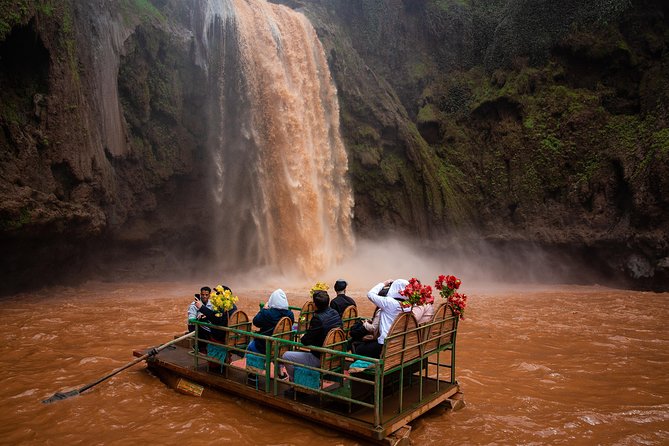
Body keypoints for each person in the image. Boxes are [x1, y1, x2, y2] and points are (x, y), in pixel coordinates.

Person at [282, 290, 342, 382]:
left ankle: (295, 381)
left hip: (319, 357)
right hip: (335, 355)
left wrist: (303, 336)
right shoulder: (335, 313)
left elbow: (305, 341)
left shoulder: (317, 319)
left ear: (315, 304)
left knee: (286, 356)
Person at [353, 279, 410, 359]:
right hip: (398, 343)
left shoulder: (389, 302)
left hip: (384, 345)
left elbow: (370, 294)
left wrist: (384, 283)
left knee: (359, 348)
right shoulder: (408, 305)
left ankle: (362, 368)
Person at [247, 289, 294, 355]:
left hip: (264, 346)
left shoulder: (267, 313)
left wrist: (263, 309)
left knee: (251, 345)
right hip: (282, 347)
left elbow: (255, 322)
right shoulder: (290, 314)